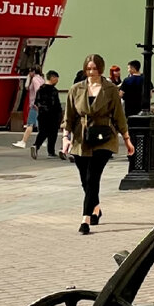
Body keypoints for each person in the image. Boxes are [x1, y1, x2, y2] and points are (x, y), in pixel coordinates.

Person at [62, 53, 132, 234]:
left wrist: (127, 139)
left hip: (104, 137)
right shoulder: (76, 89)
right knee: (85, 179)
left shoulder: (110, 89)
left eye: (95, 68)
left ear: (100, 69)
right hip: (81, 138)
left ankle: (85, 220)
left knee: (93, 176)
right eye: (89, 68)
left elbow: (119, 116)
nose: (91, 72)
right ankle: (96, 209)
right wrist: (65, 138)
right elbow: (69, 116)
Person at [31, 70, 63, 159]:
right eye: (56, 79)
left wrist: (41, 110)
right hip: (53, 115)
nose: (57, 81)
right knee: (53, 133)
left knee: (43, 132)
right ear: (52, 78)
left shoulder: (40, 89)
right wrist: (60, 115)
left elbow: (36, 103)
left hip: (42, 115)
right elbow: (56, 104)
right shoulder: (53, 91)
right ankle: (51, 152)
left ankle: (36, 146)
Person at [14, 67, 45, 149]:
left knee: (30, 124)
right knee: (40, 124)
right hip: (39, 104)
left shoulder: (35, 79)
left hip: (34, 104)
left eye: (29, 72)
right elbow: (27, 87)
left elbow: (37, 90)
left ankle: (23, 141)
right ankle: (43, 141)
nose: (29, 73)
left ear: (33, 72)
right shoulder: (41, 79)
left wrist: (36, 102)